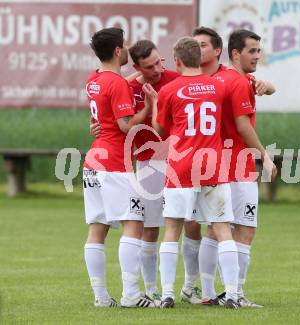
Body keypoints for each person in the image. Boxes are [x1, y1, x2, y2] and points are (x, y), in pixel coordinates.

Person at [91, 40, 204, 304]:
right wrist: (96, 125)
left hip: (180, 163)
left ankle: (191, 287)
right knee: (151, 229)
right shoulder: (129, 87)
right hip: (149, 164)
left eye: (159, 61)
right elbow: (113, 119)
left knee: (191, 224)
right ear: (137, 67)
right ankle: (152, 290)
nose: (157, 69)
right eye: (149, 66)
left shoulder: (176, 79)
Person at [145, 36, 240, 309]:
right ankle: (232, 293)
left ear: (176, 61)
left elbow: (160, 131)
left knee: (172, 230)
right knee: (222, 229)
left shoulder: (170, 90)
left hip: (181, 166)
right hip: (211, 163)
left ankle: (167, 295)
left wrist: (154, 105)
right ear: (200, 58)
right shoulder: (217, 87)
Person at [83, 27, 156, 308]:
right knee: (134, 223)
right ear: (117, 50)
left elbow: (109, 92)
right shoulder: (118, 85)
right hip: (115, 162)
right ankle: (131, 295)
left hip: (92, 162)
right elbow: (126, 126)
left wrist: (136, 76)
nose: (126, 49)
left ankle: (101, 297)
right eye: (123, 46)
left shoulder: (94, 79)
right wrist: (148, 107)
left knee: (97, 228)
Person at [206, 29, 277, 308]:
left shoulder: (220, 77)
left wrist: (268, 86)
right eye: (252, 51)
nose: (257, 56)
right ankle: (236, 293)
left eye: (259, 50)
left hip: (214, 164)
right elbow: (243, 125)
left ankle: (210, 291)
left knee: (216, 229)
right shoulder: (238, 83)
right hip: (238, 165)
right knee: (245, 229)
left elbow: (266, 88)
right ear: (235, 53)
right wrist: (265, 155)